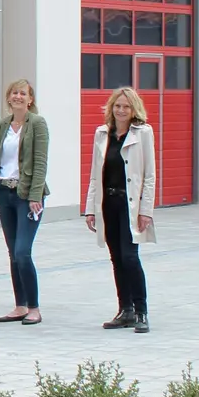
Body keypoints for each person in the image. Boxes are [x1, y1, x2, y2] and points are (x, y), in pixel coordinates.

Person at [85, 86, 157, 334]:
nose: (121, 110)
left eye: (126, 106)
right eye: (117, 106)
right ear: (111, 108)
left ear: (134, 108)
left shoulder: (143, 133)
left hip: (131, 206)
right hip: (109, 204)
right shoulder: (102, 134)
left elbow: (150, 176)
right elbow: (96, 174)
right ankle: (124, 310)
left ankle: (141, 311)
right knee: (116, 258)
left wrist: (145, 210)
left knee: (130, 257)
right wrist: (90, 208)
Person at [0, 78, 50, 325]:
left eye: (23, 93)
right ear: (9, 98)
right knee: (13, 253)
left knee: (23, 252)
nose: (18, 97)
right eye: (14, 93)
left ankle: (34, 307)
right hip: (4, 193)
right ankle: (20, 305)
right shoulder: (3, 125)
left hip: (26, 195)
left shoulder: (37, 124)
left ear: (30, 99)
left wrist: (36, 195)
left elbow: (40, 162)